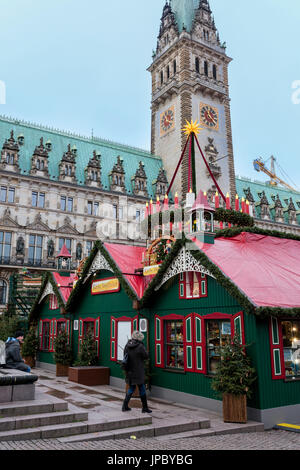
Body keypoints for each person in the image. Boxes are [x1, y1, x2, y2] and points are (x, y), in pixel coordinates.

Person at [122, 331, 152, 414]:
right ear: (139, 338)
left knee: (131, 388)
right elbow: (146, 356)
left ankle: (125, 406)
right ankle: (145, 408)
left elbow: (125, 356)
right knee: (142, 388)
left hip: (130, 370)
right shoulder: (140, 346)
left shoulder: (127, 345)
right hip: (138, 370)